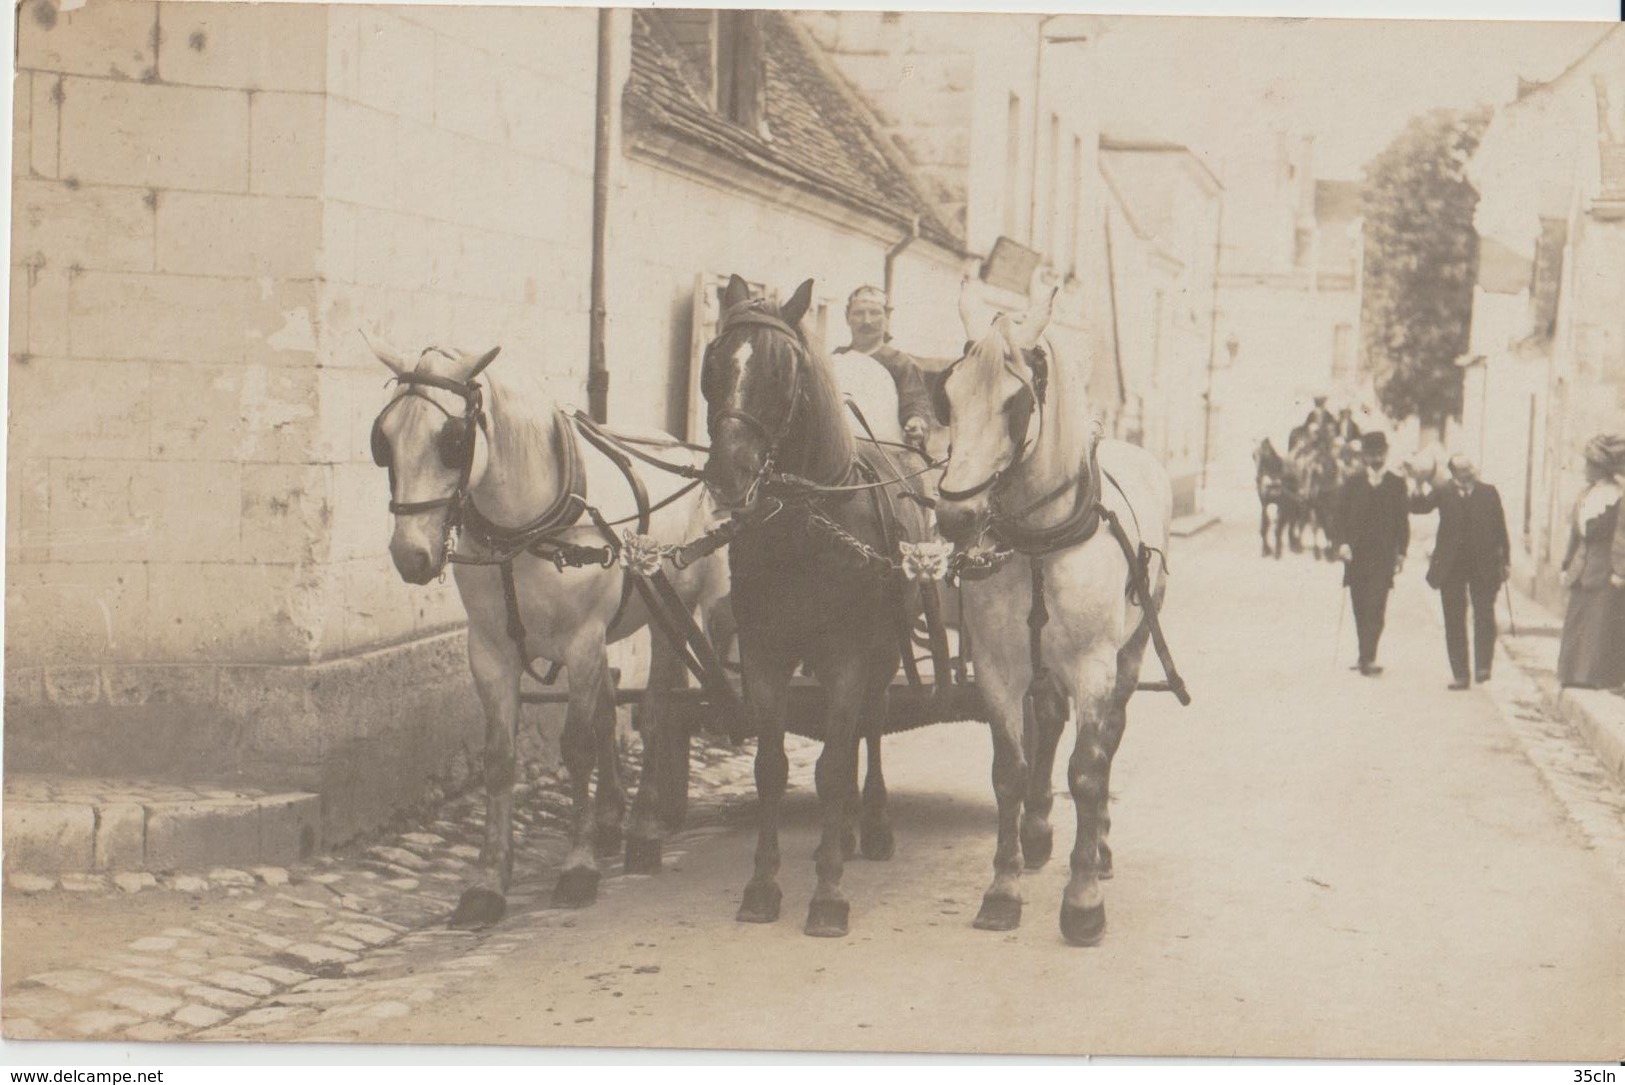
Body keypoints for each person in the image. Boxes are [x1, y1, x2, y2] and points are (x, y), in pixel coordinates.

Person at [1408, 454, 1511, 690]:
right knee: (1453, 618)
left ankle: (1483, 666)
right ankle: (1460, 674)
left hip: (1483, 563)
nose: (1469, 474)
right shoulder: (1444, 492)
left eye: (1470, 469)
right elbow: (1418, 507)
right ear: (1454, 473)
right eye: (1463, 471)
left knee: (1484, 614)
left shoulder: (1488, 492)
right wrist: (1417, 484)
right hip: (1451, 564)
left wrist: (1505, 560)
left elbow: (1500, 527)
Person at [1336, 432, 1410, 676]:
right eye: (1371, 454)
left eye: (1380, 453)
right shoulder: (1353, 482)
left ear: (1386, 454)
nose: (1376, 458)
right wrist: (1342, 544)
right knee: (1360, 606)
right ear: (1364, 456)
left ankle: (1369, 657)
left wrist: (1402, 553)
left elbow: (1402, 521)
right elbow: (1339, 517)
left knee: (1376, 605)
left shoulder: (1396, 484)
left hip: (1383, 557)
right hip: (1356, 556)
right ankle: (1363, 655)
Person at [1557, 434, 1625, 689]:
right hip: (1581, 565)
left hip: (1605, 566)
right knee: (1577, 618)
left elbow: (1621, 536)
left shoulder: (1618, 497)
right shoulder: (1586, 495)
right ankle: (1572, 673)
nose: (1586, 469)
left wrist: (1620, 571)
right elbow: (1576, 534)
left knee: (1598, 622)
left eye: (1590, 465)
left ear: (1601, 469)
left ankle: (1592, 676)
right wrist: (1566, 564)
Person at [831, 285, 932, 451]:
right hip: (838, 451)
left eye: (874, 313)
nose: (867, 321)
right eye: (859, 313)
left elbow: (915, 402)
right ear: (847, 318)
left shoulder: (901, 363)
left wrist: (916, 421)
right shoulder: (834, 360)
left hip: (887, 454)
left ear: (886, 318)